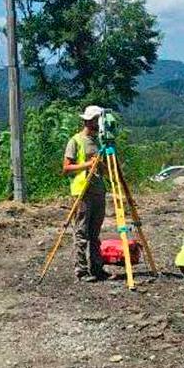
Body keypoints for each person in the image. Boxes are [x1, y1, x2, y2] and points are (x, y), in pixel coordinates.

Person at [63, 105, 108, 282]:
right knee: (81, 232)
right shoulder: (75, 141)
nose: (100, 123)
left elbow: (105, 170)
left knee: (95, 233)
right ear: (90, 121)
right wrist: (88, 165)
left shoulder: (99, 142)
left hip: (98, 190)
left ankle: (97, 268)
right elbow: (66, 168)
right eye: (98, 120)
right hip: (82, 191)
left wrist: (101, 165)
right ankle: (81, 271)